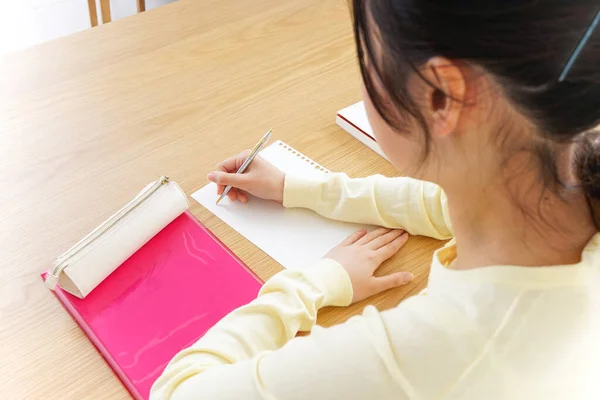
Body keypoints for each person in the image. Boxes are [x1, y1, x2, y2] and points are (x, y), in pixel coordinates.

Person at [150, 2, 600, 399]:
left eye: (366, 58)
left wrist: (315, 282)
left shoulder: (435, 354)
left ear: (440, 95)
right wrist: (298, 188)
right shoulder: (566, 193)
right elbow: (437, 204)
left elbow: (178, 389)